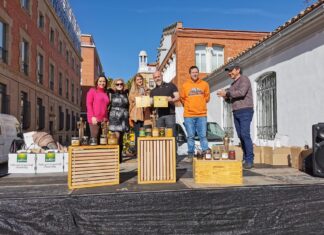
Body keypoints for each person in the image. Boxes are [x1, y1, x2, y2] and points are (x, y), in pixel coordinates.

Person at [217, 63, 254, 169]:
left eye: (231, 71)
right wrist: (225, 97)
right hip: (236, 111)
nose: (229, 73)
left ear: (238, 70)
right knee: (241, 136)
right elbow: (230, 100)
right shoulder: (232, 85)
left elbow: (241, 93)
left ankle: (249, 160)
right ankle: (246, 157)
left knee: (245, 134)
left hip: (245, 110)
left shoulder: (244, 79)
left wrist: (227, 94)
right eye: (228, 71)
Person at [180, 66, 210, 162]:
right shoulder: (185, 85)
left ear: (198, 73)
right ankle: (190, 155)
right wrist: (189, 106)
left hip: (201, 114)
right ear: (190, 74)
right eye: (193, 72)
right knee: (190, 136)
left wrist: (199, 103)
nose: (195, 74)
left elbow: (207, 97)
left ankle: (205, 152)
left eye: (196, 72)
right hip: (189, 115)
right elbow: (182, 98)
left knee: (203, 135)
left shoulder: (204, 84)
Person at [150, 71, 179, 136]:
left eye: (158, 76)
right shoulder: (153, 91)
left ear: (162, 76)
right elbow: (151, 103)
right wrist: (150, 102)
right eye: (155, 77)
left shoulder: (171, 85)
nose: (157, 78)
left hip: (170, 115)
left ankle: (173, 146)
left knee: (171, 136)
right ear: (154, 79)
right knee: (160, 137)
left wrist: (172, 99)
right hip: (159, 116)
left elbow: (178, 97)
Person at [107, 78, 129, 163]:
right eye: (117, 84)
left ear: (123, 85)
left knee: (121, 139)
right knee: (116, 137)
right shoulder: (111, 93)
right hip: (115, 117)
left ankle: (119, 157)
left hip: (124, 117)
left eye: (121, 84)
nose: (119, 85)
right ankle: (115, 157)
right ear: (114, 85)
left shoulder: (126, 93)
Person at [128, 73, 151, 153]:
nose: (139, 81)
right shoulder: (133, 90)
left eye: (140, 79)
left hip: (146, 114)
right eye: (137, 79)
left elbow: (149, 99)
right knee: (138, 134)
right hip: (136, 114)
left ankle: (145, 152)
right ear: (135, 81)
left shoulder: (146, 89)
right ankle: (138, 153)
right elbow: (132, 100)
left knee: (146, 134)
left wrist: (145, 92)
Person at [86, 74, 110, 142]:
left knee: (104, 141)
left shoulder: (106, 93)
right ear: (97, 82)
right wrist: (92, 117)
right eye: (100, 81)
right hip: (94, 119)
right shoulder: (92, 91)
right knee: (94, 140)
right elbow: (89, 104)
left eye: (104, 81)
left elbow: (106, 107)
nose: (102, 83)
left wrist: (107, 119)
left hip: (104, 120)